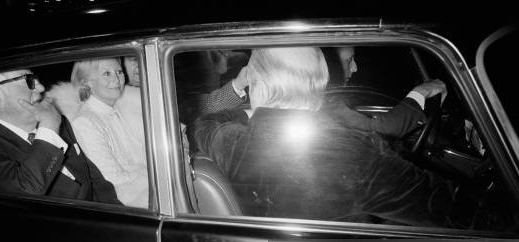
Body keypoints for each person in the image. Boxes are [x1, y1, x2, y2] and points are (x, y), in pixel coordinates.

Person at [193, 47, 462, 227]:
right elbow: (460, 215)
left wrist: (253, 110)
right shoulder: (358, 156)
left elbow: (206, 122)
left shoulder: (233, 145)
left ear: (259, 87)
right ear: (321, 83)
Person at [0, 69, 121, 204]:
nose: (40, 87)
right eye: (29, 80)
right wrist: (49, 129)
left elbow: (92, 177)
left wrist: (118, 214)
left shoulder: (51, 116)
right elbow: (26, 190)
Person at [69, 58, 148, 208]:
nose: (117, 79)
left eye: (119, 72)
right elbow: (112, 180)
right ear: (86, 82)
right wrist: (154, 176)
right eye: (106, 74)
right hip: (127, 205)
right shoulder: (85, 122)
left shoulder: (120, 109)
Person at [324, 46, 447, 138]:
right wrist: (421, 92)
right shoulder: (326, 104)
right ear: (329, 65)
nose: (355, 68)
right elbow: (378, 130)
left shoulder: (329, 99)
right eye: (349, 60)